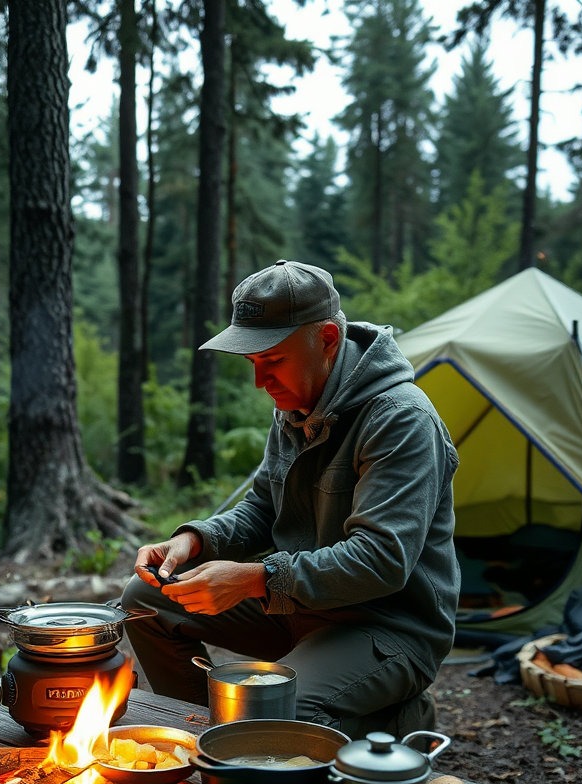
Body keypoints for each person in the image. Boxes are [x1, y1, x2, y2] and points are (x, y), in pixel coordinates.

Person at [121, 259, 460, 740]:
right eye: (253, 364)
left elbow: (383, 560)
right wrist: (195, 540)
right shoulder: (298, 404)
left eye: (273, 360)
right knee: (146, 600)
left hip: (386, 626)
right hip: (298, 607)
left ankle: (393, 719)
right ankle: (209, 742)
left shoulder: (400, 418)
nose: (262, 382)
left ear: (326, 339)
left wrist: (256, 578)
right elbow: (263, 506)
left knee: (276, 708)